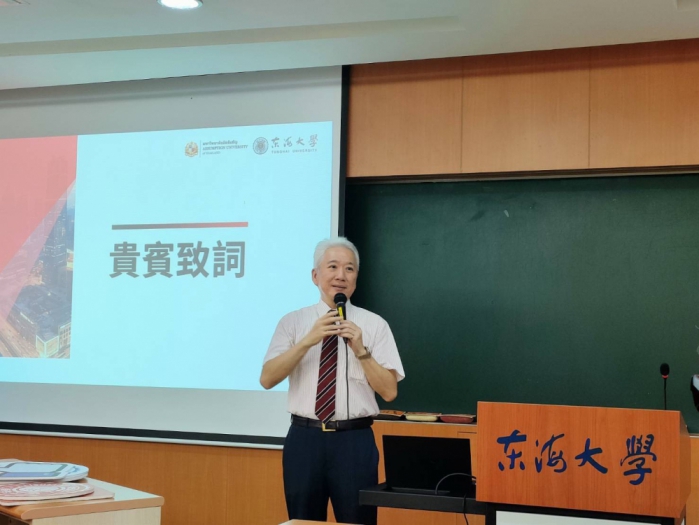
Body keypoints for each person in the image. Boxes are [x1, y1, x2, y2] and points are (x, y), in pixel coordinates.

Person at [260, 237, 405, 525]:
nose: (341, 275)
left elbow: (389, 392)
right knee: (302, 521)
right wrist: (308, 340)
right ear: (315, 275)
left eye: (349, 269)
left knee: (358, 520)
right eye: (333, 267)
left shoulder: (375, 325)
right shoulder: (293, 322)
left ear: (356, 279)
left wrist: (361, 350)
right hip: (305, 439)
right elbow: (267, 378)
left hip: (354, 441)